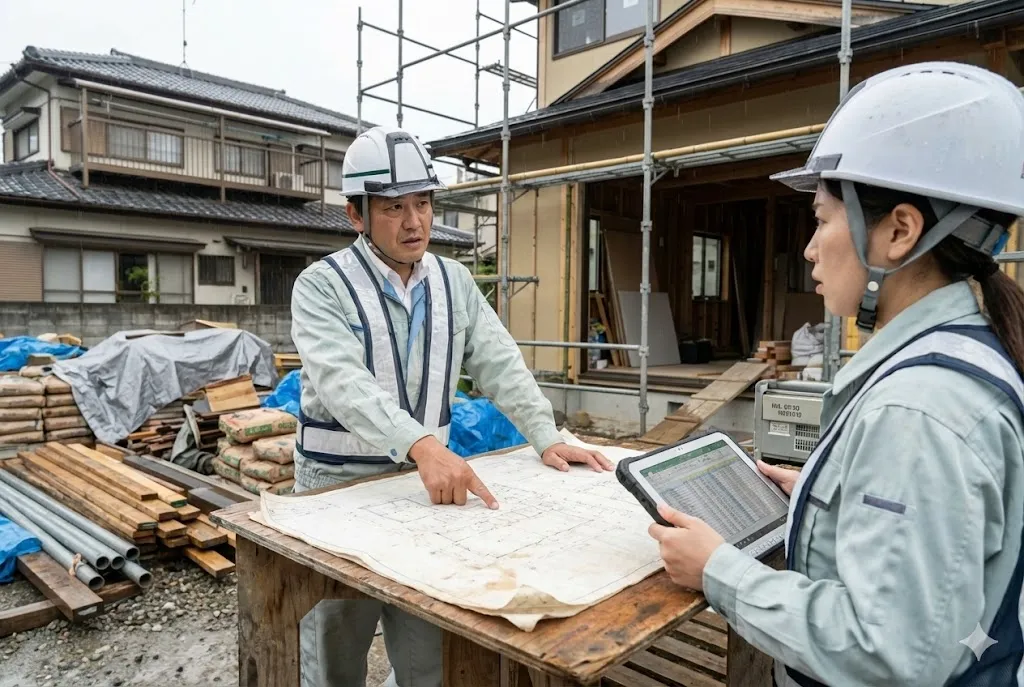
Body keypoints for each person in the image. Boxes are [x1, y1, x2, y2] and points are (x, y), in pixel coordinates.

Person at [648, 61, 1024, 686]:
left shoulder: (918, 412)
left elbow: (885, 653)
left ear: (899, 231)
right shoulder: (972, 352)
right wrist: (827, 500)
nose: (809, 247)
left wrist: (719, 570)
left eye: (822, 219)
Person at [289, 124, 612, 687]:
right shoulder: (323, 286)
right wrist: (421, 445)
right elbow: (342, 382)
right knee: (336, 648)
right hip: (335, 489)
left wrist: (547, 433)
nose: (414, 221)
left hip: (424, 490)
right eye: (393, 207)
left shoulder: (453, 280)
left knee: (428, 650)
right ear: (357, 215)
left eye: (423, 203)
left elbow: (499, 361)